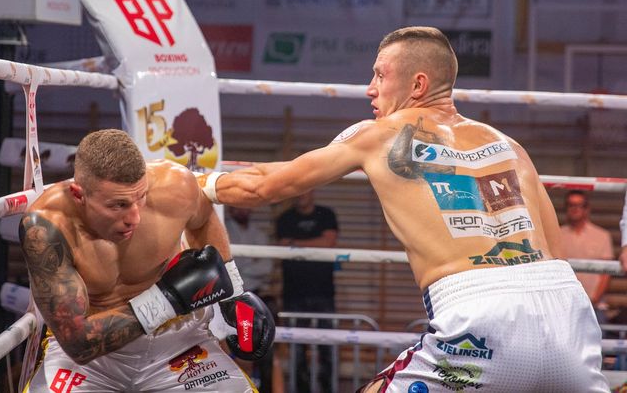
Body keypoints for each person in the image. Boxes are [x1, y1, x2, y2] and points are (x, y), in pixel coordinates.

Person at [197, 27, 608, 391]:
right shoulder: (512, 148)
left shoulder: (378, 135)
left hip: (481, 318)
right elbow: (558, 256)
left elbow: (267, 185)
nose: (369, 88)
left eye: (379, 74)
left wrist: (197, 182)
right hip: (567, 313)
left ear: (418, 84)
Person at [19, 129, 274, 392]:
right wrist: (168, 298)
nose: (135, 218)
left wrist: (233, 293)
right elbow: (78, 343)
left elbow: (202, 220)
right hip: (89, 362)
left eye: (140, 198)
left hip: (179, 342)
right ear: (78, 194)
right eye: (118, 205)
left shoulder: (174, 185)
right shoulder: (47, 227)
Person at [275, 189, 338, 393]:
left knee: (326, 345)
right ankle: (300, 389)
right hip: (294, 292)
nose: (301, 195)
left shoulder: (326, 215)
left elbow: (328, 242)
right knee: (297, 348)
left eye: (305, 191)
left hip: (323, 292)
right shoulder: (285, 219)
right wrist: (313, 244)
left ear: (312, 192)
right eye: (298, 191)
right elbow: (283, 245)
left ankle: (328, 389)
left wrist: (296, 244)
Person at [224, 206, 282, 392]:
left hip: (255, 296)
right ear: (230, 209)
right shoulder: (222, 231)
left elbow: (265, 267)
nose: (243, 210)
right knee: (227, 352)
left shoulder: (259, 234)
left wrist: (238, 273)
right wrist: (241, 271)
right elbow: (224, 269)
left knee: (267, 355)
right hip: (227, 300)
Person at [560, 190, 614, 323]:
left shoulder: (602, 236)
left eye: (579, 205)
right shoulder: (557, 235)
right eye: (571, 205)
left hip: (595, 307)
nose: (575, 209)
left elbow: (606, 274)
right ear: (566, 208)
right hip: (563, 306)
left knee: (597, 343)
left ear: (587, 208)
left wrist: (594, 299)